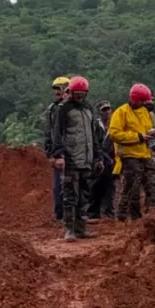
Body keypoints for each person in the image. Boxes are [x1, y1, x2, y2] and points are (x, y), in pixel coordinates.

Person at [49, 76, 103, 241]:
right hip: (71, 158)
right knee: (70, 195)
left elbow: (93, 135)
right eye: (77, 93)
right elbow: (57, 134)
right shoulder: (64, 109)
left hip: (86, 159)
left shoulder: (88, 109)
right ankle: (69, 230)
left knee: (84, 195)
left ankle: (81, 228)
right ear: (71, 92)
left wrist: (98, 157)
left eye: (82, 94)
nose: (79, 96)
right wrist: (58, 155)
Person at [108, 83, 155, 221]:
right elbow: (114, 134)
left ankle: (152, 216)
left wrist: (151, 134)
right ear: (134, 99)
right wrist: (138, 137)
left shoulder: (145, 112)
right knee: (132, 188)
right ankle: (125, 217)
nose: (144, 103)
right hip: (129, 155)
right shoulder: (121, 112)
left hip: (145, 153)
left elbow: (146, 130)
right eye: (142, 100)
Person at [43, 76, 69, 221]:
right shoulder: (52, 110)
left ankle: (72, 215)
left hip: (72, 152)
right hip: (59, 153)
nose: (57, 92)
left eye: (59, 88)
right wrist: (51, 154)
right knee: (59, 185)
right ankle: (60, 215)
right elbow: (49, 133)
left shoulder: (72, 108)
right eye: (55, 89)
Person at [88, 100, 117, 221]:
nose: (106, 112)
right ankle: (93, 212)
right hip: (98, 159)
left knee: (110, 186)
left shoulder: (115, 125)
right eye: (103, 110)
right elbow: (94, 143)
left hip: (112, 160)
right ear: (99, 112)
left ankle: (108, 212)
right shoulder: (95, 126)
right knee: (95, 186)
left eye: (108, 109)